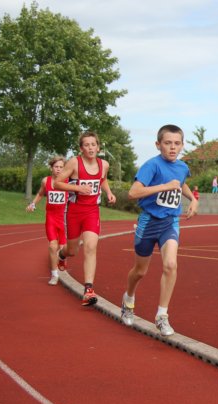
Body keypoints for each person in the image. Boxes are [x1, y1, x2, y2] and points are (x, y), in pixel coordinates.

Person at [120, 124, 198, 336]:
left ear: (182, 145)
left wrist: (193, 199)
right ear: (158, 145)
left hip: (170, 222)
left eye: (177, 143)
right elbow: (133, 193)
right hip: (148, 222)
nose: (173, 147)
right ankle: (128, 299)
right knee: (140, 271)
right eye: (168, 143)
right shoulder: (151, 166)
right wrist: (164, 186)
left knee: (171, 265)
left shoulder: (182, 167)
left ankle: (162, 316)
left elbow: (180, 183)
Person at [53, 131, 117, 306]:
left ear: (98, 147)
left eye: (93, 144)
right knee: (72, 250)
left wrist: (109, 193)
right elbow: (57, 183)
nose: (90, 148)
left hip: (92, 211)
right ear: (81, 148)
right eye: (86, 145)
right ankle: (62, 254)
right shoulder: (74, 162)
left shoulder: (104, 164)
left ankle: (88, 289)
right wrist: (78, 188)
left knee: (90, 246)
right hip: (74, 212)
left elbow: (102, 180)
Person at [26, 156, 68, 285]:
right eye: (56, 167)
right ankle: (54, 274)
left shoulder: (68, 181)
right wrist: (33, 204)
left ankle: (61, 259)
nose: (58, 169)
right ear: (51, 168)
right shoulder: (46, 181)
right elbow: (40, 194)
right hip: (51, 217)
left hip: (64, 218)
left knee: (64, 248)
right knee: (52, 246)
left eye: (61, 167)